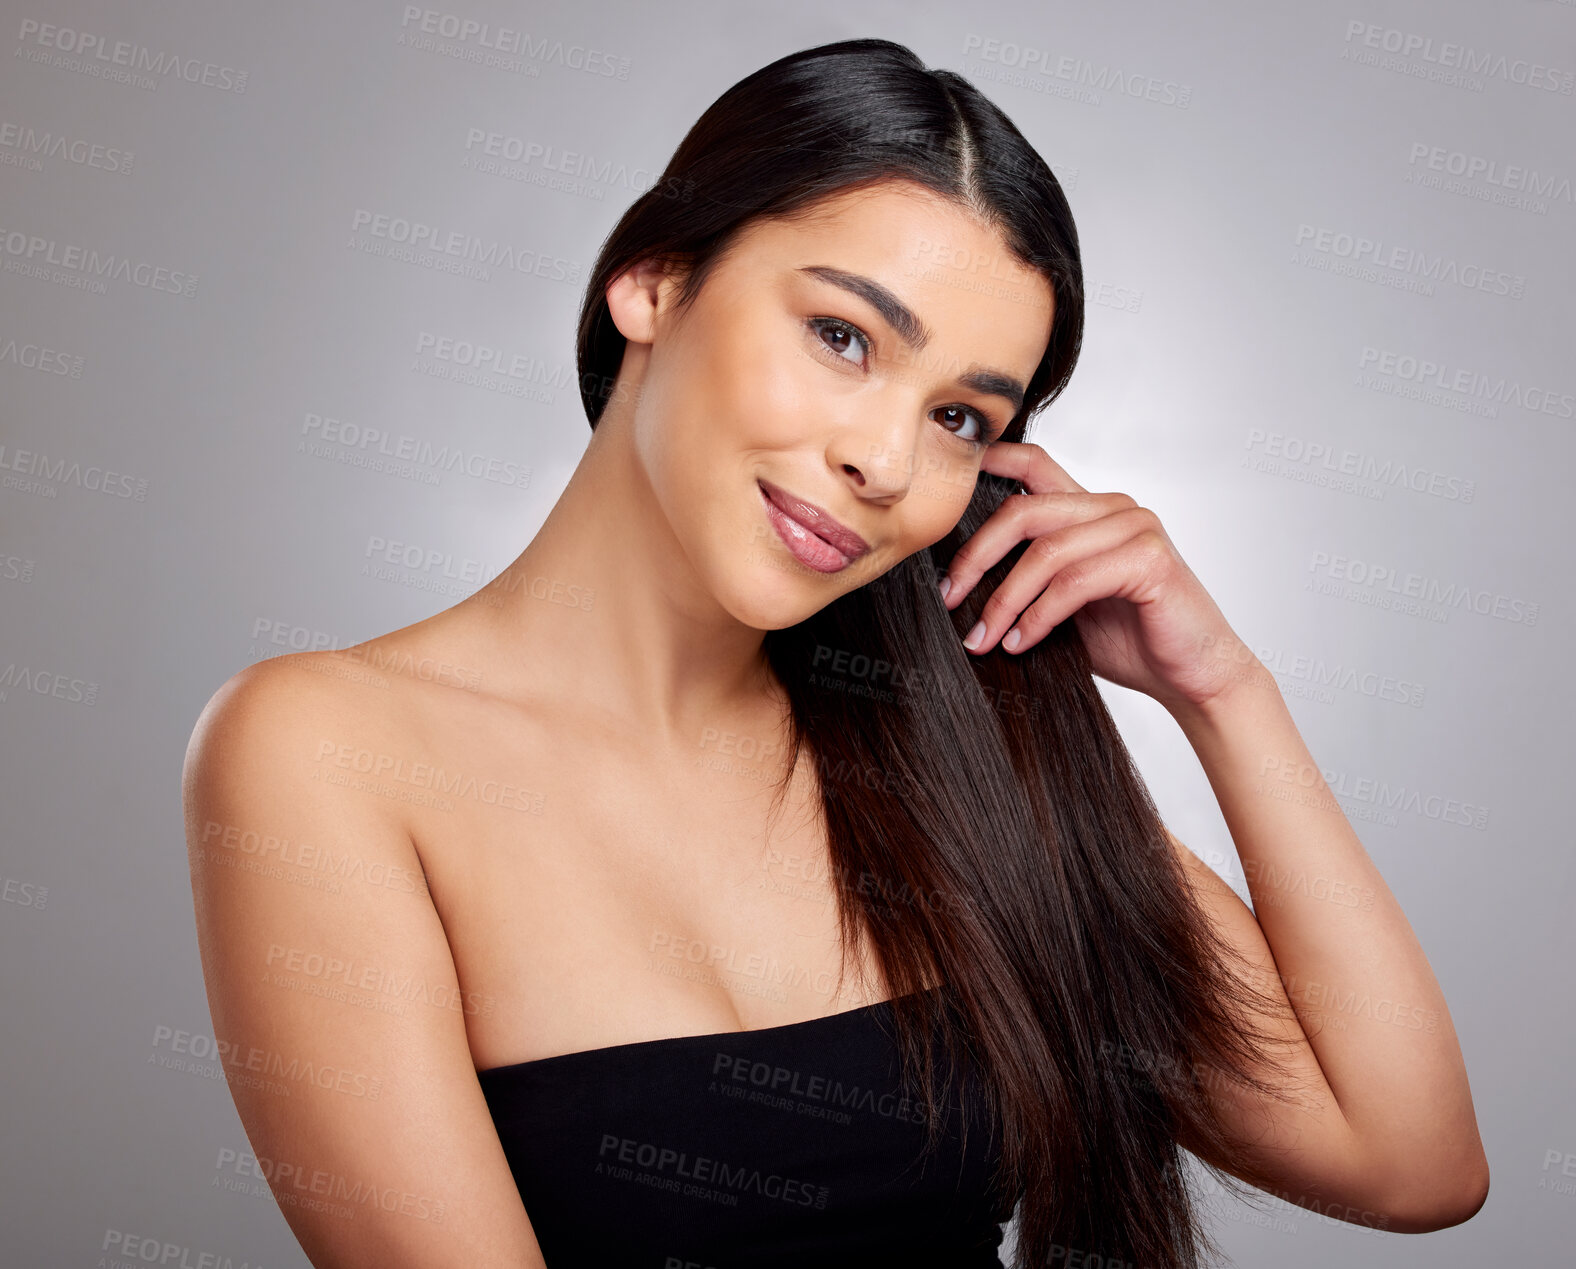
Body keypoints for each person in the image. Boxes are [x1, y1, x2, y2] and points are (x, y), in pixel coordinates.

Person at [182, 37, 1488, 1269]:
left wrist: (1224, 691)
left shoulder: (962, 749)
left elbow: (1412, 1162)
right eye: (843, 336)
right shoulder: (324, 748)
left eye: (962, 416)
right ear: (652, 281)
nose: (885, 461)